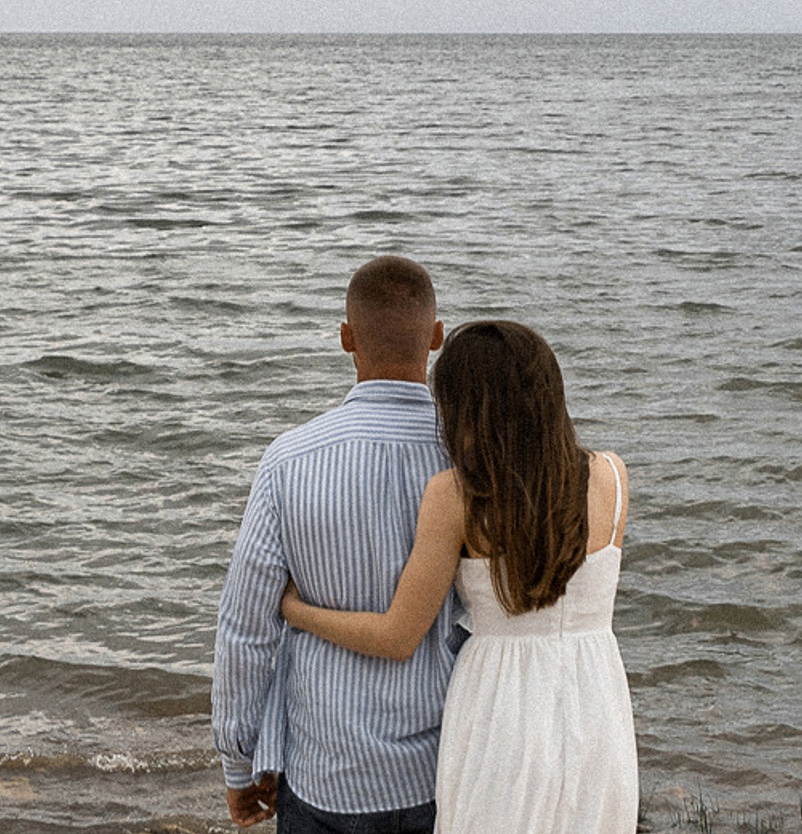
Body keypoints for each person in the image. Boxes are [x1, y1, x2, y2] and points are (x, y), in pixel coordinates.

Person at [278, 319, 637, 834]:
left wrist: (297, 610)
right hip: (594, 696)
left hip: (499, 705)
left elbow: (397, 636)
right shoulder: (610, 476)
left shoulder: (457, 496)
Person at [213, 255, 457, 834]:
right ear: (438, 337)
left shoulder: (289, 459)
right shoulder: (467, 457)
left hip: (325, 773)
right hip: (443, 770)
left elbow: (244, 631)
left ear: (346, 338)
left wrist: (239, 764)